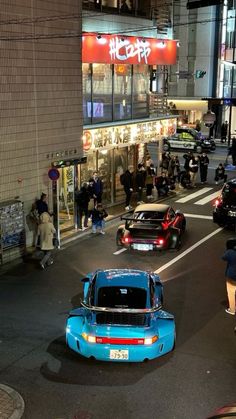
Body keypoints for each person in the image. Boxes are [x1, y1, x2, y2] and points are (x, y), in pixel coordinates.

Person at [222, 238, 236, 315]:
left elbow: (223, 257)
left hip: (232, 277)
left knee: (231, 293)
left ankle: (232, 309)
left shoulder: (230, 252)